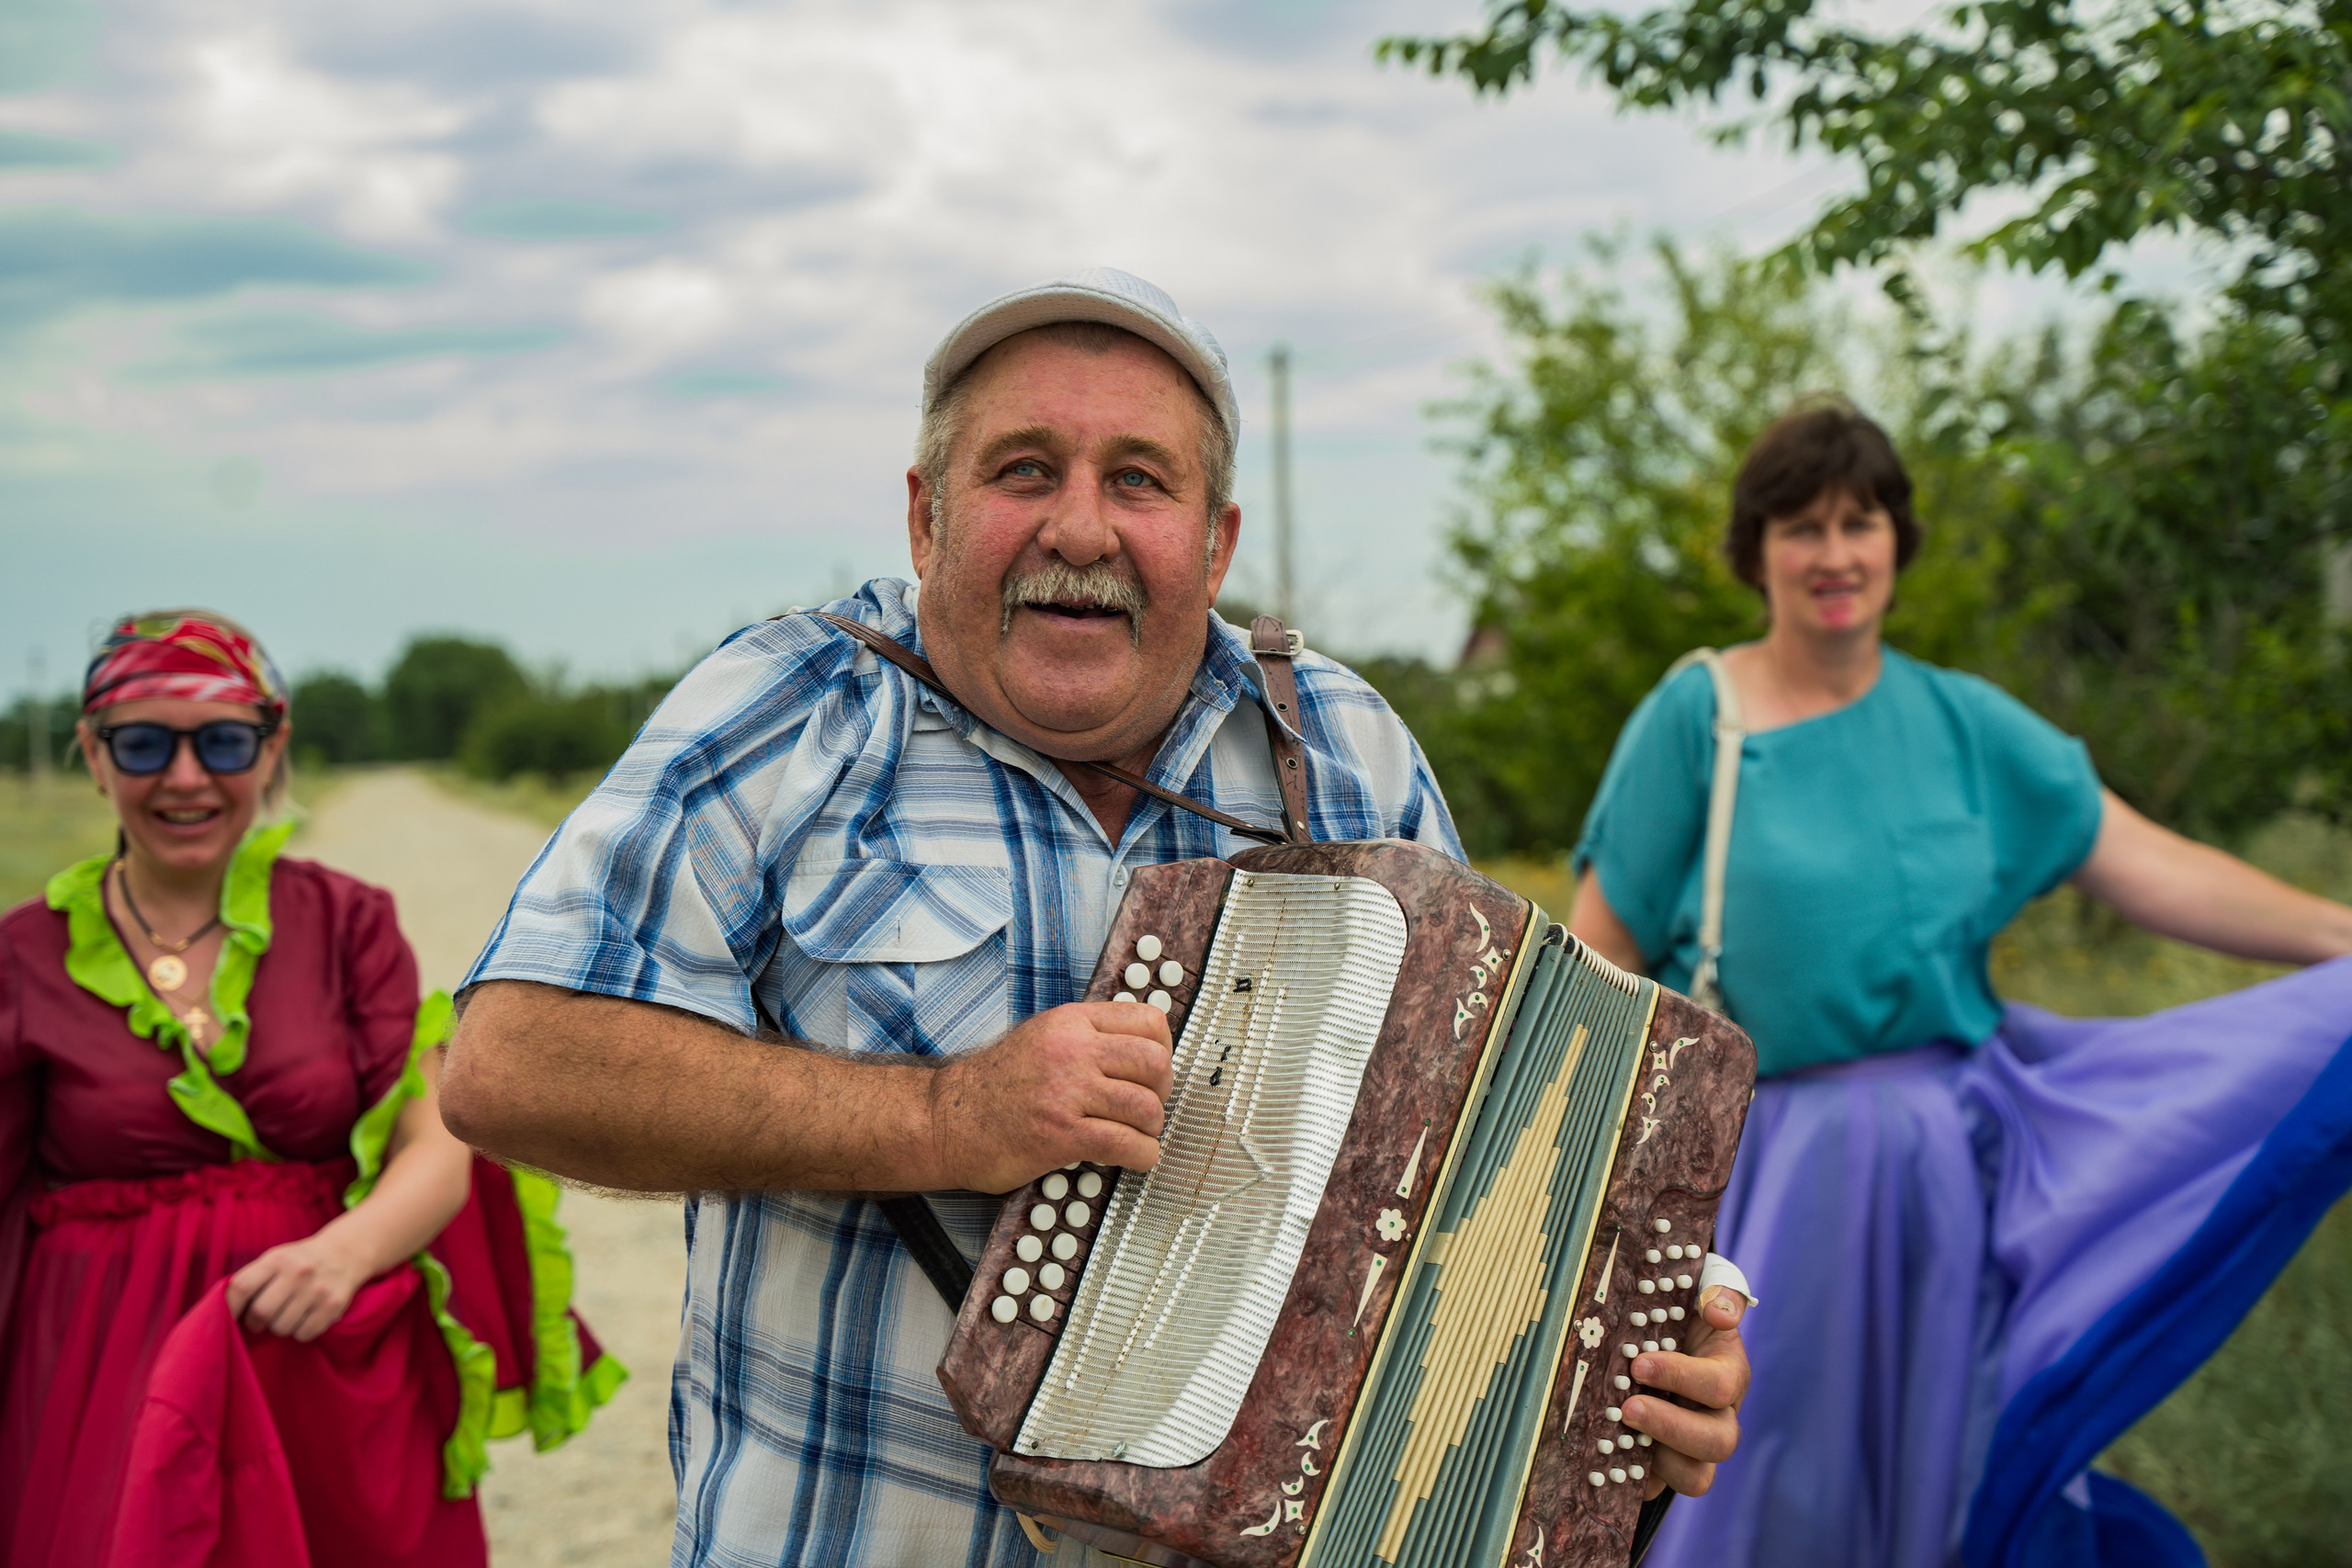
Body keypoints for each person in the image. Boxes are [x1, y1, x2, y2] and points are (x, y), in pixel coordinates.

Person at [440, 267, 1752, 1566]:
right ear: (925, 516)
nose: (1081, 527)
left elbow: (1497, 1146)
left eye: (1139, 478)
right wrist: (943, 1116)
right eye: (1023, 469)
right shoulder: (790, 709)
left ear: (1219, 539)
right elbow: (511, 1063)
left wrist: (1640, 1383)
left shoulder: (1344, 741)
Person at [1567, 400, 2352, 1568]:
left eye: (1860, 521)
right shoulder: (1702, 716)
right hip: (1770, 1177)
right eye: (1801, 526)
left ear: (1895, 540)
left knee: (1942, 1487)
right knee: (1763, 1493)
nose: (1834, 554)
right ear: (1755, 550)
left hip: (1955, 1169)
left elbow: (2150, 868)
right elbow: (1595, 964)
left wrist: (2341, 933)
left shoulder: (1964, 723)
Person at [0, 612, 622, 1568]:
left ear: (272, 744)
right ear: (91, 752)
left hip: (322, 1365)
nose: (185, 777)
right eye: (142, 743)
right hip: (99, 1379)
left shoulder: (346, 924)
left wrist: (344, 1255)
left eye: (221, 741)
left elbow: (436, 1142)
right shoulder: (21, 956)